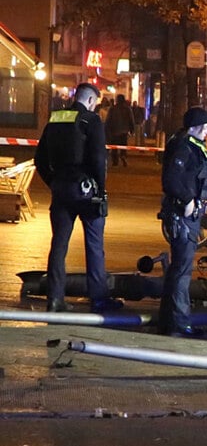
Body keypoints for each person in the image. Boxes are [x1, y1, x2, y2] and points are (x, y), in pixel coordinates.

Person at [34, 82, 123, 313]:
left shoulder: (55, 118)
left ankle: (55, 299)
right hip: (86, 191)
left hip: (61, 189)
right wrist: (101, 190)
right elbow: (98, 159)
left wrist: (52, 182)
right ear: (92, 101)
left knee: (58, 245)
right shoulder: (91, 121)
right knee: (94, 245)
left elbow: (40, 159)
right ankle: (99, 299)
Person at [158, 107, 207, 337]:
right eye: (205, 127)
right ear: (197, 127)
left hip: (189, 216)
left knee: (178, 269)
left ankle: (168, 321)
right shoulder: (184, 146)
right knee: (182, 271)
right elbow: (171, 179)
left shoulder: (192, 145)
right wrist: (187, 200)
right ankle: (180, 324)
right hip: (182, 216)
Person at [104, 94, 135, 167]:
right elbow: (131, 120)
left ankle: (115, 161)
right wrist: (132, 129)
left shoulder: (112, 109)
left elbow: (108, 120)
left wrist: (107, 129)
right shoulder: (127, 109)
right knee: (123, 146)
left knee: (114, 147)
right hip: (124, 131)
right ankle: (123, 155)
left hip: (114, 131)